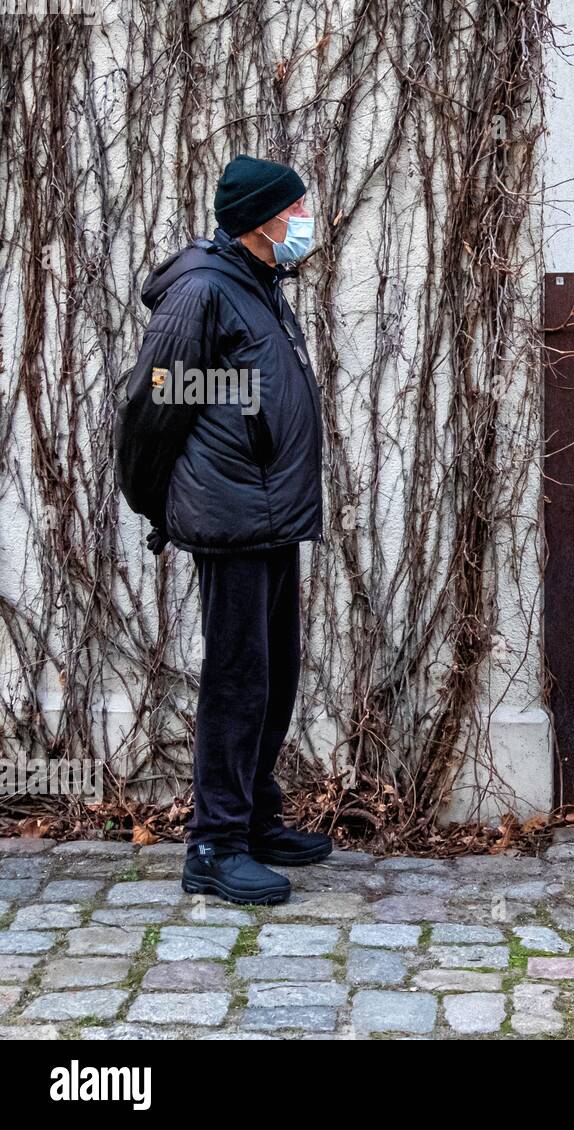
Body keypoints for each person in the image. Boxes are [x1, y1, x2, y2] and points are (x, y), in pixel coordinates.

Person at [116, 154, 332, 905]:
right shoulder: (203, 292)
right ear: (266, 220)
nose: (308, 218)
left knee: (273, 674)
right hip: (231, 516)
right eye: (299, 207)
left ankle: (254, 819)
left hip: (268, 514)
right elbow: (151, 409)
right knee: (238, 679)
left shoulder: (260, 286)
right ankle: (214, 844)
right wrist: (156, 507)